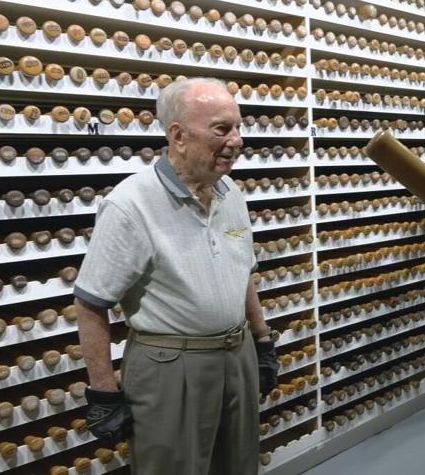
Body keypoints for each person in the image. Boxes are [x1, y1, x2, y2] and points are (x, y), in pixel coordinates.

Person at [75, 78, 278, 474]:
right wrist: (102, 389)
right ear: (178, 135)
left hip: (237, 357)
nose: (237, 140)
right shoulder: (130, 204)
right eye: (222, 129)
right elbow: (90, 302)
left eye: (238, 127)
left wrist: (262, 339)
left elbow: (243, 274)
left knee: (239, 465)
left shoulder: (230, 193)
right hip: (171, 367)